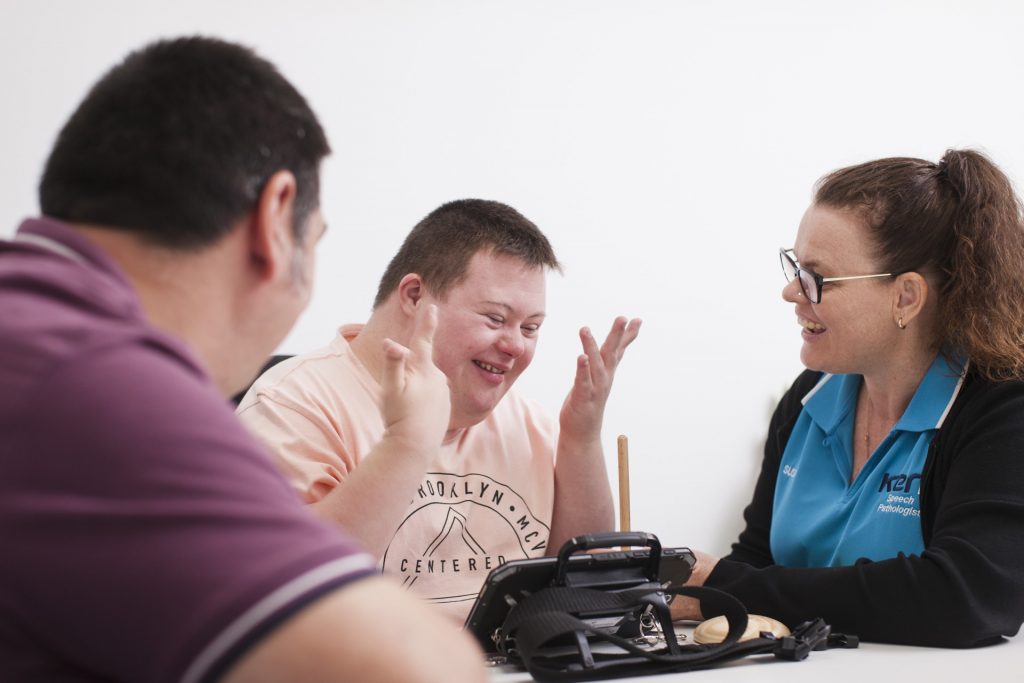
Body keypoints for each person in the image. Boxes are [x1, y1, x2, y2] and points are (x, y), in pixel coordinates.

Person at [0, 37, 484, 682]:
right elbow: (419, 670)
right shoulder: (93, 383)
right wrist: (410, 442)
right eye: (315, 243)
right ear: (275, 215)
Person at [675, 149, 1024, 647]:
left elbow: (968, 596)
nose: (792, 293)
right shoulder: (806, 399)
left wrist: (724, 587)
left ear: (906, 296)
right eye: (795, 266)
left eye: (817, 277)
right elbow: (758, 561)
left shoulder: (1002, 407)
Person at [237, 198, 641, 620]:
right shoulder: (293, 408)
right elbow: (293, 596)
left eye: (530, 328)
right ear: (414, 295)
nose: (516, 346)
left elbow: (580, 596)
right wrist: (408, 440)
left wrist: (580, 440)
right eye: (495, 318)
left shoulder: (531, 425)